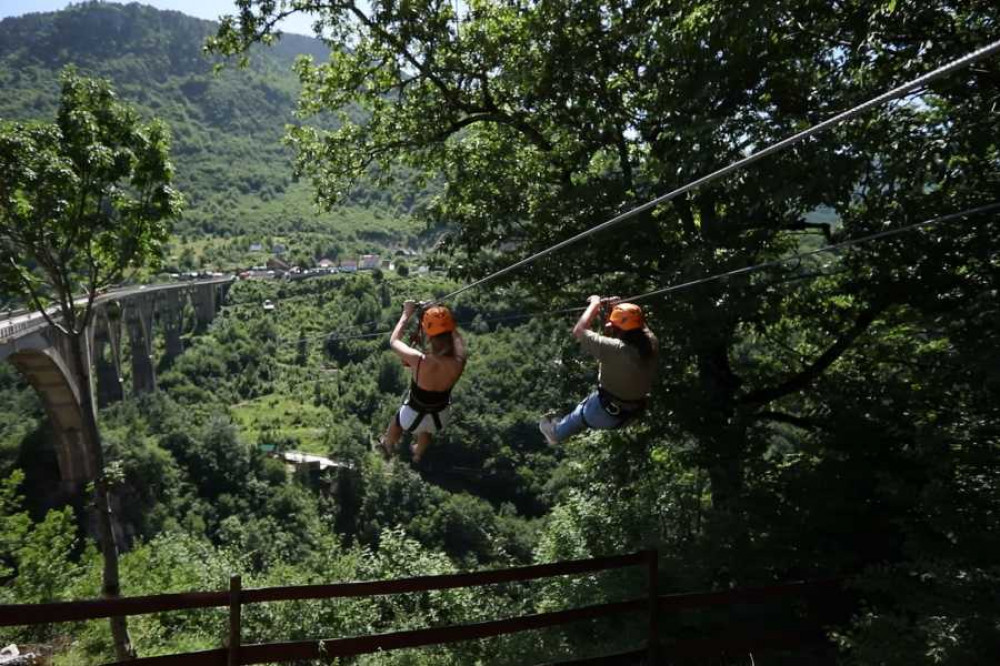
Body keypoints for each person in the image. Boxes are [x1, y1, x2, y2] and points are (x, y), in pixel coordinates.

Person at [539, 296, 658, 445]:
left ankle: (556, 434)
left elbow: (579, 331)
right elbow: (639, 324)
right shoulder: (651, 343)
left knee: (579, 416)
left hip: (604, 413)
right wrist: (619, 307)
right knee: (591, 402)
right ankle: (565, 423)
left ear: (618, 329)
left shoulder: (614, 349)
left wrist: (595, 304)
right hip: (631, 414)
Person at [379, 300, 467, 464]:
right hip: (440, 418)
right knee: (426, 430)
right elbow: (456, 337)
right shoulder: (460, 360)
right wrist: (441, 314)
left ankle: (388, 443)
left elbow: (394, 342)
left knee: (397, 422)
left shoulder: (420, 360)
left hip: (411, 416)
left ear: (429, 334)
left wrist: (407, 313)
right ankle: (418, 452)